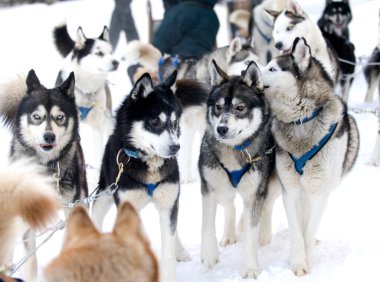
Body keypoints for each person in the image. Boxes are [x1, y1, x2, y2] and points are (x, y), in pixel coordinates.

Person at [152, 0, 220, 59]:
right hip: (202, 64)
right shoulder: (213, 17)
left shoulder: (181, 12)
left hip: (178, 65)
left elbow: (161, 42)